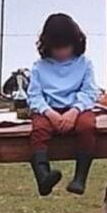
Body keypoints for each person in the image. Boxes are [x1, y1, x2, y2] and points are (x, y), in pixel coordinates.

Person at [27, 13, 100, 196]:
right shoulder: (39, 67)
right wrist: (48, 112)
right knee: (39, 130)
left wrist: (74, 111)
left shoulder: (85, 64)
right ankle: (43, 176)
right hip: (48, 110)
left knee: (87, 127)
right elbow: (34, 95)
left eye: (65, 47)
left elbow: (90, 92)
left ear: (75, 43)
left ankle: (80, 178)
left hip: (77, 108)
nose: (61, 53)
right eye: (56, 48)